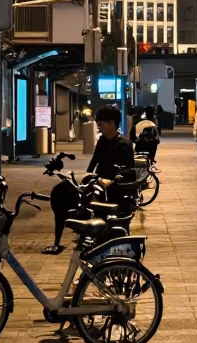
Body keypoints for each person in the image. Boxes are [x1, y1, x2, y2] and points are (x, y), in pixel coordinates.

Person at [47, 105, 135, 253]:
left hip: (116, 190)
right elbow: (94, 163)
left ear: (112, 123)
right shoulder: (102, 142)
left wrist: (113, 180)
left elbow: (130, 171)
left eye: (101, 124)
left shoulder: (125, 144)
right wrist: (87, 177)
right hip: (99, 187)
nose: (99, 127)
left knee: (113, 226)